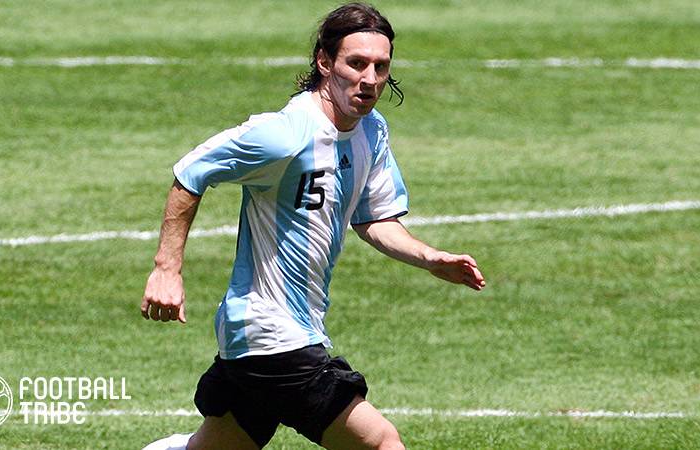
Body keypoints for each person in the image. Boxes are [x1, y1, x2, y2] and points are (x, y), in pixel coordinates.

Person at [140, 3, 485, 449]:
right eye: (356, 64)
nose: (370, 79)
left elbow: (375, 218)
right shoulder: (286, 135)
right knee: (382, 443)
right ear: (324, 62)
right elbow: (192, 172)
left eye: (381, 66)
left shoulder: (371, 131)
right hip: (270, 332)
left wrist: (429, 258)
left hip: (275, 332)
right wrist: (166, 268)